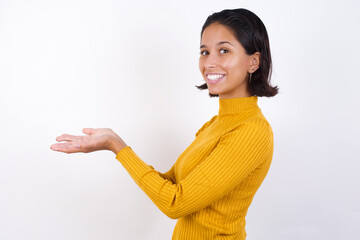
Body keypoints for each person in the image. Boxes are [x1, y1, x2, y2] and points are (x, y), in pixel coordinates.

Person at [50, 8, 278, 240]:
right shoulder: (217, 124)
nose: (210, 62)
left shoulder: (251, 130)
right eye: (204, 52)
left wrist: (116, 145)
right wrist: (114, 142)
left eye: (223, 50)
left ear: (253, 62)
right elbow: (171, 183)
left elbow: (175, 202)